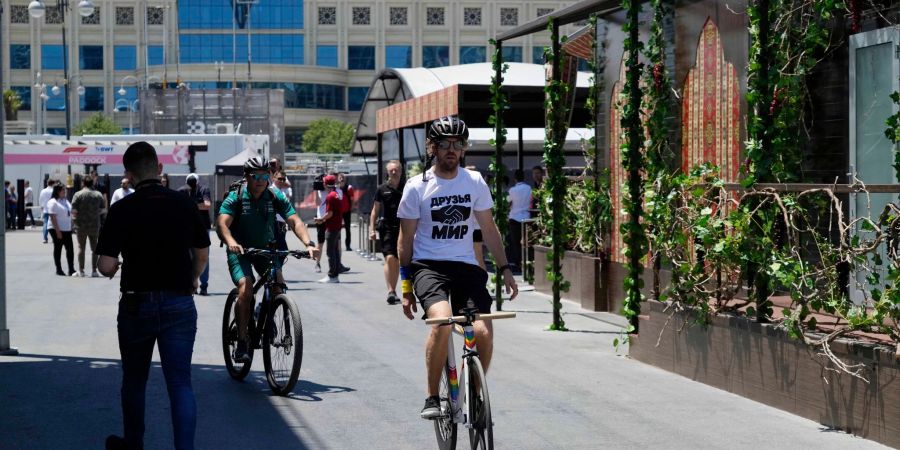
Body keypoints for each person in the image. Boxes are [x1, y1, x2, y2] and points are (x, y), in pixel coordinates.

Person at [396, 116, 518, 419]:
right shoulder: (416, 186)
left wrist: (505, 268)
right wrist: (406, 286)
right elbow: (405, 239)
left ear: (464, 149)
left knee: (482, 331)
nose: (452, 149)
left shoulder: (474, 182)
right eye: (445, 144)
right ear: (432, 147)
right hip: (428, 267)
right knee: (442, 321)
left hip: (465, 266)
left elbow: (489, 229)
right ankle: (431, 396)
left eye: (458, 144)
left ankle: (476, 392)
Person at [97, 142, 210, 450]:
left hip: (136, 304)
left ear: (128, 175)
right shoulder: (184, 204)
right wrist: (193, 278)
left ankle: (133, 444)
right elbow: (202, 251)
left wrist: (115, 265)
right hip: (179, 301)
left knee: (134, 381)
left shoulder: (121, 209)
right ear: (160, 169)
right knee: (180, 384)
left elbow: (106, 265)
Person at [217, 156, 318, 363]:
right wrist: (230, 242)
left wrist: (308, 244)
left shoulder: (274, 196)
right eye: (256, 176)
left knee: (278, 285)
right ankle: (243, 340)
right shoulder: (235, 196)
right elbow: (222, 224)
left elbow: (294, 220)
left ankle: (266, 314)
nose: (261, 180)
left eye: (265, 175)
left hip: (266, 248)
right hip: (240, 250)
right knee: (246, 287)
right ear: (247, 177)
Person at [369, 160, 403, 304]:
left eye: (396, 170)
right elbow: (375, 210)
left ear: (401, 171)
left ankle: (398, 289)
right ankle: (391, 291)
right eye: (391, 170)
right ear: (387, 172)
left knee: (399, 260)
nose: (394, 172)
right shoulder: (382, 189)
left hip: (403, 227)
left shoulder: (407, 187)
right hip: (387, 227)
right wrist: (372, 229)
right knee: (390, 259)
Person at [178, 174, 212, 295]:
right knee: (189, 256)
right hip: (187, 228)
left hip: (203, 227)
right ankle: (192, 282)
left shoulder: (203, 189)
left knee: (204, 257)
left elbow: (207, 205)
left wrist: (191, 205)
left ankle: (204, 285)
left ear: (197, 182)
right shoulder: (183, 190)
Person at [71, 176, 106, 277]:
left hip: (81, 226)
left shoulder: (77, 194)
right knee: (94, 249)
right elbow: (103, 210)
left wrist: (75, 222)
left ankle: (81, 271)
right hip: (94, 225)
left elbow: (74, 211)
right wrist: (95, 213)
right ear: (92, 183)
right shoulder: (98, 194)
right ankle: (94, 271)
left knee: (81, 248)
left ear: (83, 183)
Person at [314, 174, 344, 283]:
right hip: (337, 225)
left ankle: (332, 275)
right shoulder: (336, 194)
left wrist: (321, 219)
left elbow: (330, 213)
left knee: (330, 251)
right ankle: (335, 274)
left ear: (325, 184)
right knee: (335, 250)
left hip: (332, 226)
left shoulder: (330, 196)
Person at [507, 169, 532, 271]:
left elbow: (509, 202)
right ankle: (527, 262)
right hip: (526, 217)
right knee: (526, 242)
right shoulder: (529, 188)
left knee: (516, 243)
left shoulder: (512, 190)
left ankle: (519, 263)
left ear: (515, 178)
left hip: (514, 217)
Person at [47, 184, 75, 276]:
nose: (65, 192)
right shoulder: (53, 202)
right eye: (63, 190)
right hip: (56, 229)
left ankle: (71, 269)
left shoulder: (65, 201)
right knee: (58, 248)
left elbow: (70, 212)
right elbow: (52, 217)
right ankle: (58, 269)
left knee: (70, 249)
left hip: (67, 229)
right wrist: (58, 231)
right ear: (58, 191)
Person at [272, 171, 293, 254]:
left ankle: (277, 266)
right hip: (274, 223)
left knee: (281, 251)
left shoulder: (284, 192)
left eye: (284, 179)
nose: (282, 181)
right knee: (280, 249)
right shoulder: (270, 191)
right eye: (280, 179)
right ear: (273, 178)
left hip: (282, 223)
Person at [338, 172, 354, 251]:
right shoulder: (336, 188)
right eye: (340, 178)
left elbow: (352, 199)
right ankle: (338, 245)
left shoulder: (349, 188)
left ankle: (348, 245)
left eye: (343, 178)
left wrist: (351, 208)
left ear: (345, 179)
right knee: (338, 228)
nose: (342, 179)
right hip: (338, 211)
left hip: (347, 211)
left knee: (348, 228)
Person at [39, 179, 56, 244]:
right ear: (53, 184)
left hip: (45, 209)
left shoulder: (43, 191)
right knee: (54, 224)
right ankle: (54, 238)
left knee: (45, 223)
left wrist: (41, 207)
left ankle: (45, 238)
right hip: (53, 209)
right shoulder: (54, 190)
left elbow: (40, 199)